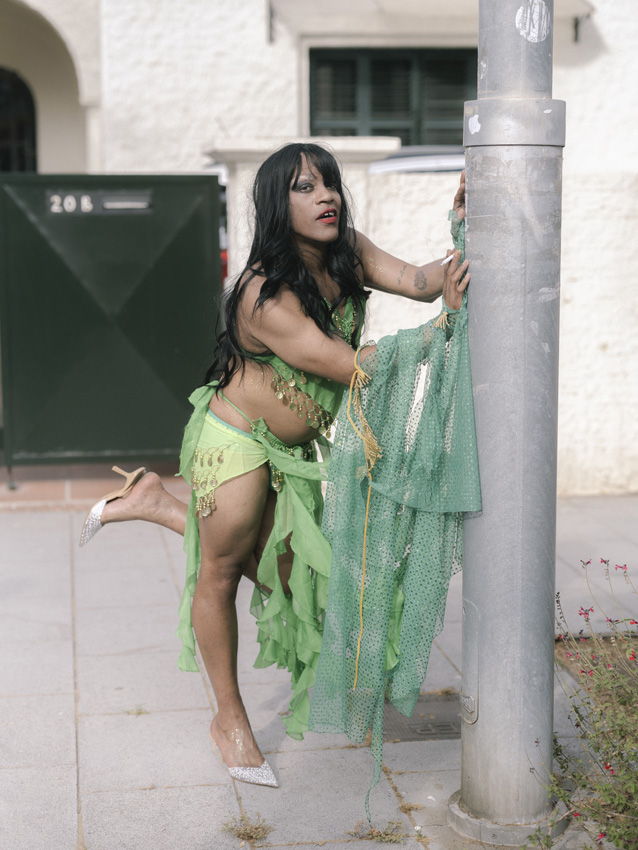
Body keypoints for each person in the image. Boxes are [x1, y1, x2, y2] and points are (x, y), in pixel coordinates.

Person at [79, 142, 470, 789]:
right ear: (275, 204)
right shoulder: (264, 294)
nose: (326, 196)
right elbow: (347, 366)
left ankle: (156, 502)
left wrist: (468, 230)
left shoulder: (348, 252)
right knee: (221, 570)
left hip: (291, 452)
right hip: (234, 438)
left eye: (329, 183)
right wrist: (436, 333)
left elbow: (421, 282)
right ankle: (229, 721)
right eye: (305, 187)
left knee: (294, 583)